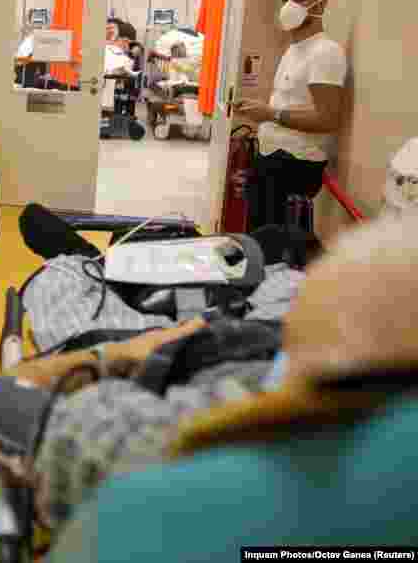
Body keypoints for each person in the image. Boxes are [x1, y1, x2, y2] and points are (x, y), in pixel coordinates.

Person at [47, 211, 418, 561]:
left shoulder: (201, 439)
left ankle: (81, 261)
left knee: (68, 290)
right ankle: (273, 263)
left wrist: (125, 353)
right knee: (279, 272)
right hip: (281, 336)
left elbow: (60, 422)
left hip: (198, 356)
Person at [234, 0, 347, 231]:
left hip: (295, 165)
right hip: (273, 158)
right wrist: (262, 112)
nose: (289, 6)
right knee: (258, 236)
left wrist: (269, 114)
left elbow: (328, 118)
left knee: (275, 247)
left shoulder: (325, 52)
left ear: (320, 4)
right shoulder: (295, 48)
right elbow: (292, 103)